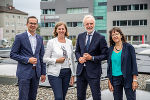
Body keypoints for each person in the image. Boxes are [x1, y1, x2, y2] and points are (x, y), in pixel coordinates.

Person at [10, 16, 46, 100]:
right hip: (24, 73)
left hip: (36, 73)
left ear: (37, 25)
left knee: (33, 97)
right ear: (27, 24)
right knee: (23, 97)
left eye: (35, 23)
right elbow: (12, 54)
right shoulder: (20, 37)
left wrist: (43, 73)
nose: (33, 25)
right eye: (31, 23)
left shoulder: (40, 38)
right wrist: (27, 60)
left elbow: (42, 57)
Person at [75, 15, 108, 100]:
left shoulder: (101, 37)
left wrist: (92, 58)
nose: (89, 26)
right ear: (84, 25)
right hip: (81, 71)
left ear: (94, 24)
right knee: (80, 96)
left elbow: (105, 55)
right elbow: (77, 51)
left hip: (94, 72)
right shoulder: (80, 36)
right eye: (87, 24)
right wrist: (79, 58)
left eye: (91, 23)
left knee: (96, 95)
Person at [43, 22, 75, 100]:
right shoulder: (51, 42)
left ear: (65, 30)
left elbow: (72, 59)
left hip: (67, 72)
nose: (61, 30)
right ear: (56, 30)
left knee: (63, 97)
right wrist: (56, 60)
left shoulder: (69, 42)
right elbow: (44, 59)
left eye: (63, 29)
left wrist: (73, 75)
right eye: (59, 29)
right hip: (54, 74)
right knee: (59, 97)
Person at [107, 27, 138, 100]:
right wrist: (109, 81)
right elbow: (109, 66)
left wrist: (135, 80)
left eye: (117, 34)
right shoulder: (110, 50)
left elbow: (134, 64)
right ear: (111, 38)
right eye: (113, 35)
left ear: (121, 35)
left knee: (131, 98)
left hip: (128, 78)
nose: (115, 36)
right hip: (115, 79)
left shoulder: (129, 47)